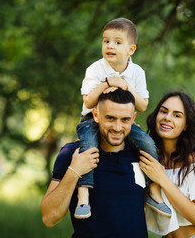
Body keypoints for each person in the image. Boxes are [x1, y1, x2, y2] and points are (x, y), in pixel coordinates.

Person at [76, 17, 170, 219]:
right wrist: (107, 82)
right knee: (89, 148)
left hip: (123, 121)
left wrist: (125, 85)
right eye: (106, 41)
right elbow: (89, 100)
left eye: (117, 42)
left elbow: (142, 105)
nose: (110, 46)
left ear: (131, 50)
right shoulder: (95, 69)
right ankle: (83, 195)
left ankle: (154, 190)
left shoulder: (137, 72)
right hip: (92, 120)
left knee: (147, 142)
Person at [40, 89, 148, 238]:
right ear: (96, 115)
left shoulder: (141, 155)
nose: (117, 127)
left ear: (133, 118)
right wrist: (74, 171)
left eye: (125, 119)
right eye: (110, 118)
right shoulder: (73, 153)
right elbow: (49, 218)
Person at [139, 91, 195, 238]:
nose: (167, 118)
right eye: (163, 111)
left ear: (186, 125)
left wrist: (162, 178)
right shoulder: (153, 159)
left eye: (177, 115)